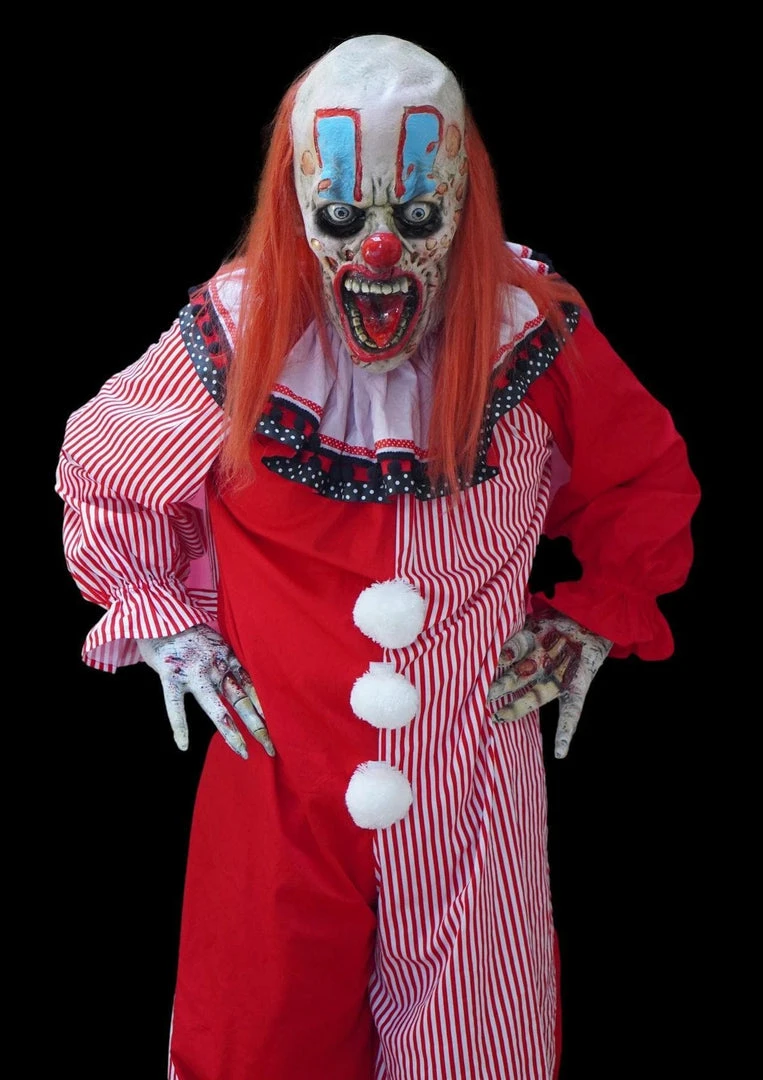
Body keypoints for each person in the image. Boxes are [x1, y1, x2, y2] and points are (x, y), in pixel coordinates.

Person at [55, 33, 700, 1080]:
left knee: (476, 1048)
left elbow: (643, 477)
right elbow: (106, 467)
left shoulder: (528, 333)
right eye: (344, 218)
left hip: (471, 791)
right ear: (299, 203)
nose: (382, 253)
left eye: (419, 217)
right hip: (276, 785)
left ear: (462, 201)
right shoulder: (237, 335)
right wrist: (169, 626)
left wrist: (591, 616)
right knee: (254, 1043)